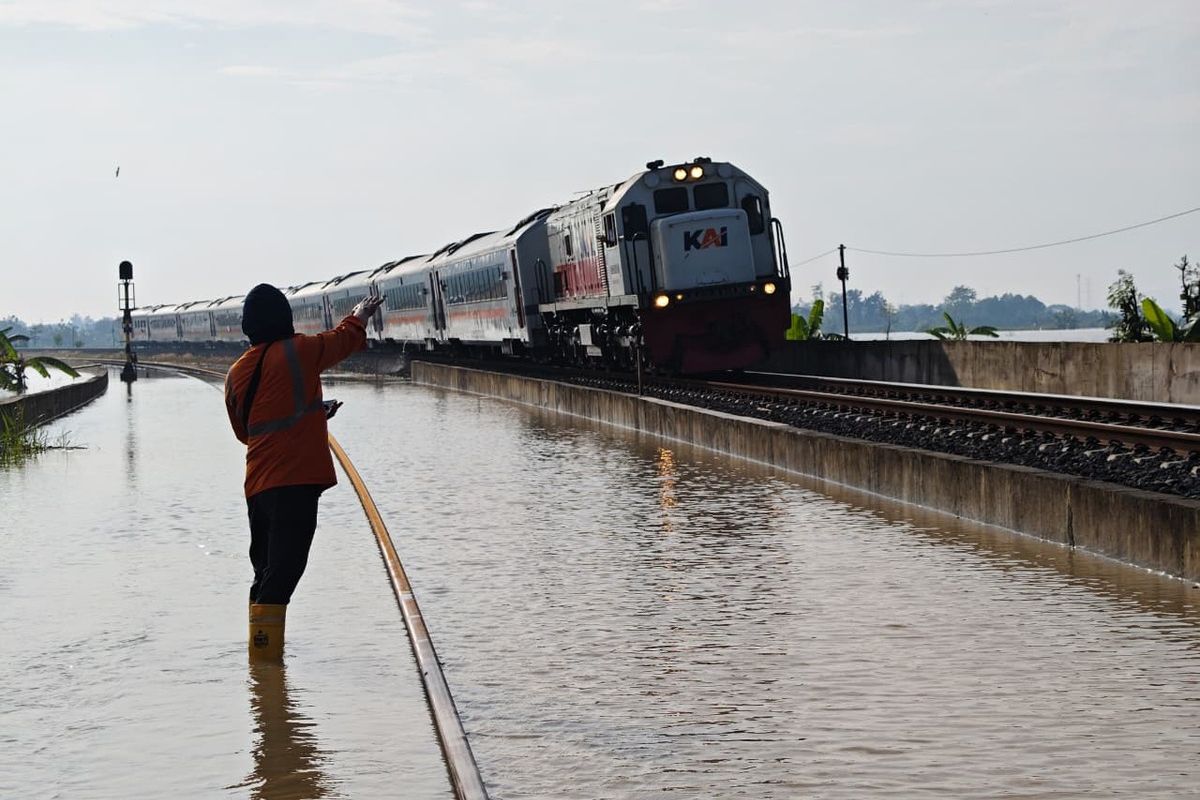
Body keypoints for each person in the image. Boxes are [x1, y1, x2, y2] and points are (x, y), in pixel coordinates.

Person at [224, 284, 384, 661]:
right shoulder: (299, 351)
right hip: (293, 484)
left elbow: (247, 433)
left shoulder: (236, 373)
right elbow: (341, 340)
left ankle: (260, 664)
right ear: (285, 319)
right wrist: (361, 313)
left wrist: (311, 414)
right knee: (285, 570)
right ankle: (266, 662)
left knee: (265, 572)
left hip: (257, 486)